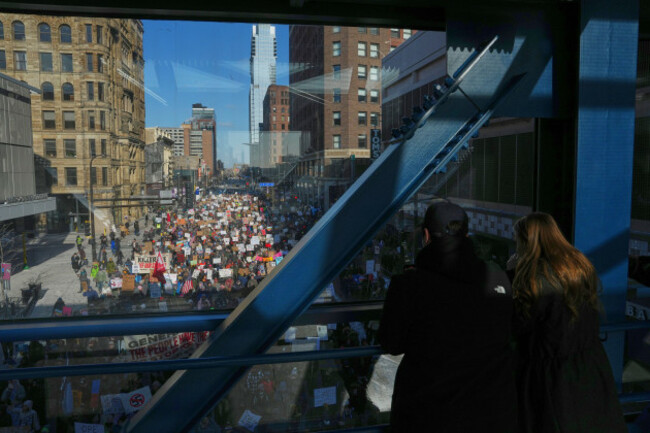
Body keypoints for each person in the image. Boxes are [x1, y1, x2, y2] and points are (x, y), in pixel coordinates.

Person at [378, 200, 516, 432]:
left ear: (426, 236)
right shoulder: (498, 278)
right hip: (490, 412)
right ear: (467, 235)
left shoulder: (409, 285)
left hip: (428, 414)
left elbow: (391, 343)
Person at [510, 213, 627, 433]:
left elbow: (518, 325)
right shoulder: (578, 267)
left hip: (551, 377)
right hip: (589, 367)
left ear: (528, 241)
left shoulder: (534, 280)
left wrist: (511, 273)